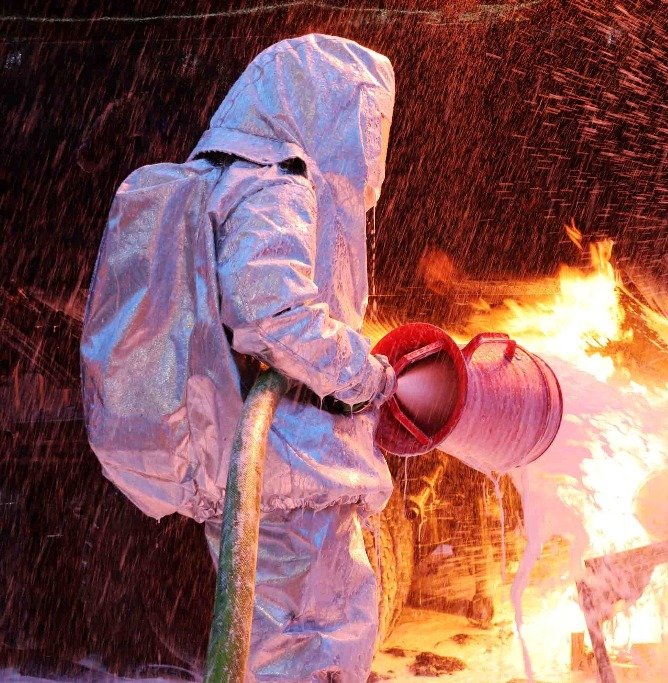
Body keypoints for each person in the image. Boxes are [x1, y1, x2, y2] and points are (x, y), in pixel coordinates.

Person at [194, 34, 398, 681]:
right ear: (331, 106)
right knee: (303, 650)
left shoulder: (263, 176)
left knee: (308, 644)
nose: (367, 146)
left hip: (296, 472)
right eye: (363, 120)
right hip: (290, 467)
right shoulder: (271, 180)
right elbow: (275, 312)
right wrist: (366, 377)